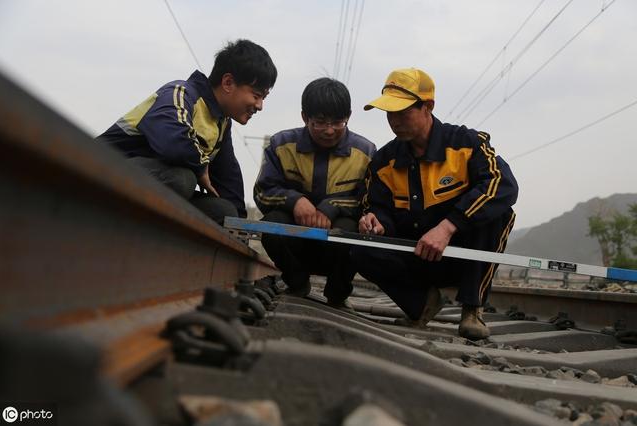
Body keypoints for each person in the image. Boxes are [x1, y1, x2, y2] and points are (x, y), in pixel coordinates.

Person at [351, 68, 518, 339]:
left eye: (402, 112)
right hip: (415, 259)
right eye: (389, 113)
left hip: (460, 258)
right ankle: (421, 304)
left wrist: (449, 226)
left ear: (428, 107)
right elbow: (377, 205)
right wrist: (374, 219)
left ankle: (472, 309)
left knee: (499, 213)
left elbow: (502, 185)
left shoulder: (467, 144)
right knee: (360, 249)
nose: (394, 121)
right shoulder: (384, 162)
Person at [97, 39, 277, 224]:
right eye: (256, 95)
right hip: (101, 170)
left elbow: (227, 177)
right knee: (182, 179)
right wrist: (200, 167)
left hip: (149, 183)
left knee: (224, 211)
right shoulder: (180, 93)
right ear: (228, 83)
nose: (260, 106)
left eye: (263, 98)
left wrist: (239, 225)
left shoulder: (221, 124)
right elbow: (173, 144)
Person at [254, 78, 376, 308]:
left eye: (337, 122)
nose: (329, 131)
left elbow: (369, 203)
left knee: (355, 233)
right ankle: (297, 282)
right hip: (296, 243)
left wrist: (332, 207)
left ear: (348, 116)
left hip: (336, 248)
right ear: (304, 117)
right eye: (320, 122)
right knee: (272, 224)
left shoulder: (366, 152)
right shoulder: (281, 145)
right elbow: (262, 192)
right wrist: (295, 201)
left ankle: (338, 294)